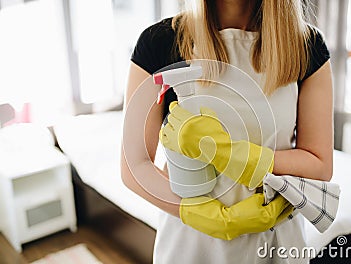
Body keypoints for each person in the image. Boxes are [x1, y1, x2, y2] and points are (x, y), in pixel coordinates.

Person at [121, 0, 333, 263]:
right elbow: (134, 166)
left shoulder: (305, 45)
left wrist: (238, 157)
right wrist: (203, 214)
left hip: (275, 244)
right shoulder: (160, 42)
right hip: (190, 246)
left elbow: (320, 164)